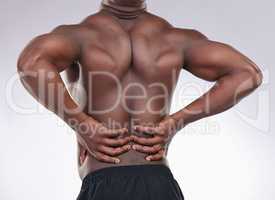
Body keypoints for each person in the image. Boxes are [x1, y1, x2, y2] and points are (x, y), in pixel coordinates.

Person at [17, 0, 263, 199]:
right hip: (159, 185)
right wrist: (177, 121)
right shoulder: (175, 39)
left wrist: (80, 122)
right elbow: (247, 73)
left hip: (104, 182)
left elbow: (31, 63)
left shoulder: (80, 36)